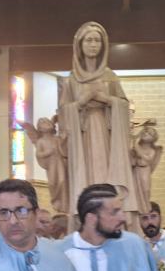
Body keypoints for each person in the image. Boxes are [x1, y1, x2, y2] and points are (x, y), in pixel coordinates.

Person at [58, 21, 139, 216]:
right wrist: (81, 102)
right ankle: (87, 208)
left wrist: (106, 100)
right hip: (82, 136)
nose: (93, 44)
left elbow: (123, 104)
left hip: (106, 134)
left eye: (97, 40)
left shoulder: (109, 76)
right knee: (85, 175)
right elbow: (62, 112)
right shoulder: (71, 79)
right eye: (88, 40)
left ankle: (108, 206)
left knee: (105, 172)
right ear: (80, 45)